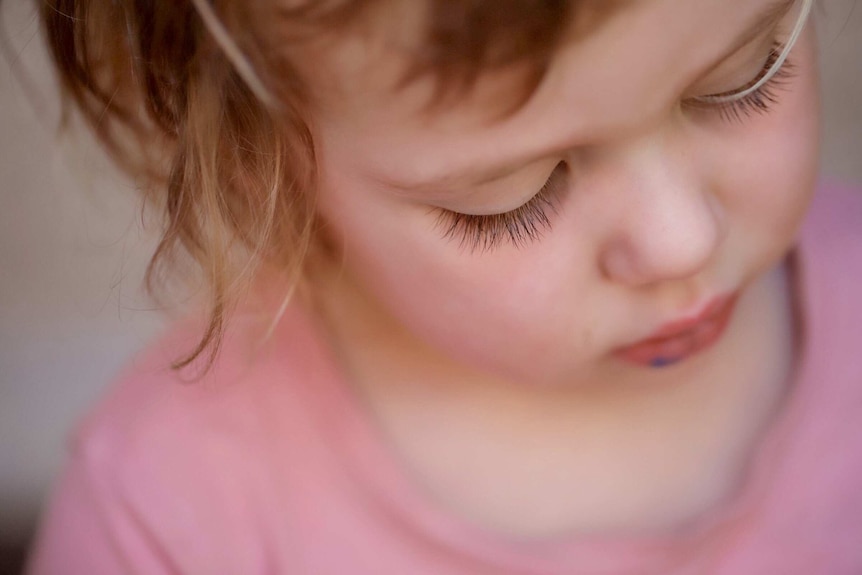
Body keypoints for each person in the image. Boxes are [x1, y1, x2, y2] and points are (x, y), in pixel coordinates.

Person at [24, 0, 862, 572]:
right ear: (260, 165)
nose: (684, 239)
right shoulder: (168, 518)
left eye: (748, 75)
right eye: (513, 199)